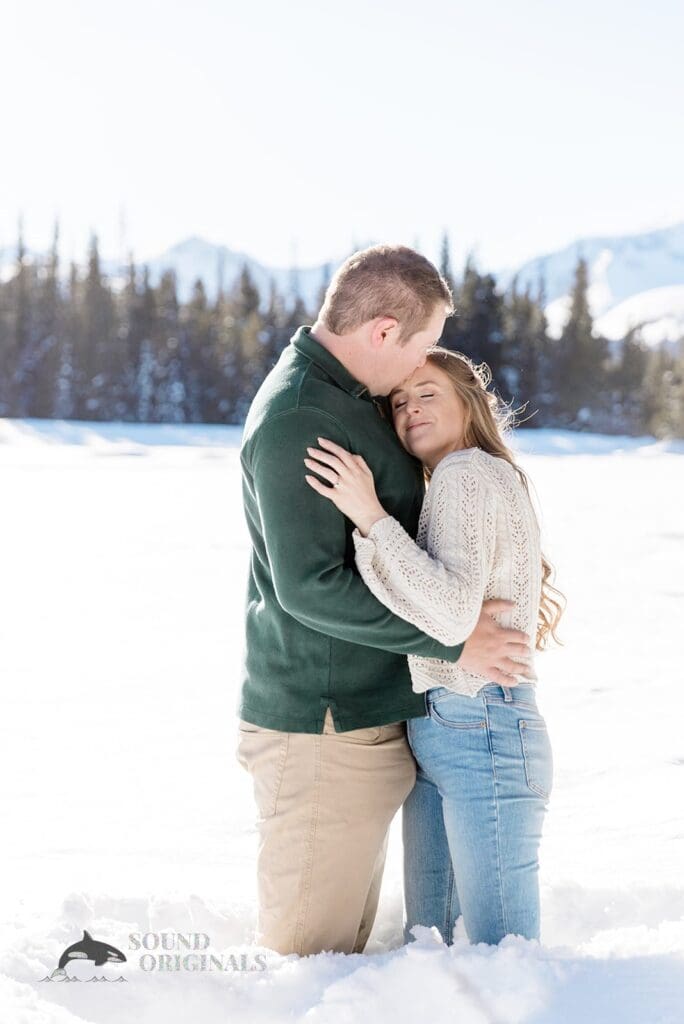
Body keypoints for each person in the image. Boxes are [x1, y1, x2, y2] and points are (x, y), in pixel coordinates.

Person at [236, 245, 533, 957]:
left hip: (375, 721)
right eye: (424, 345)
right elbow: (307, 587)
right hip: (324, 729)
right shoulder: (303, 416)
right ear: (383, 333)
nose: (422, 369)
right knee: (309, 964)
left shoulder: (351, 395)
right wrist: (453, 643)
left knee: (356, 954)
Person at [304, 347, 565, 947]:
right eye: (399, 401)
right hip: (454, 727)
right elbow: (454, 611)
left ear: (469, 403)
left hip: (484, 729)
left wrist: (369, 516)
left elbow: (449, 616)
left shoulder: (464, 474)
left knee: (503, 958)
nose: (410, 410)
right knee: (433, 950)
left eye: (428, 394)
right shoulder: (470, 475)